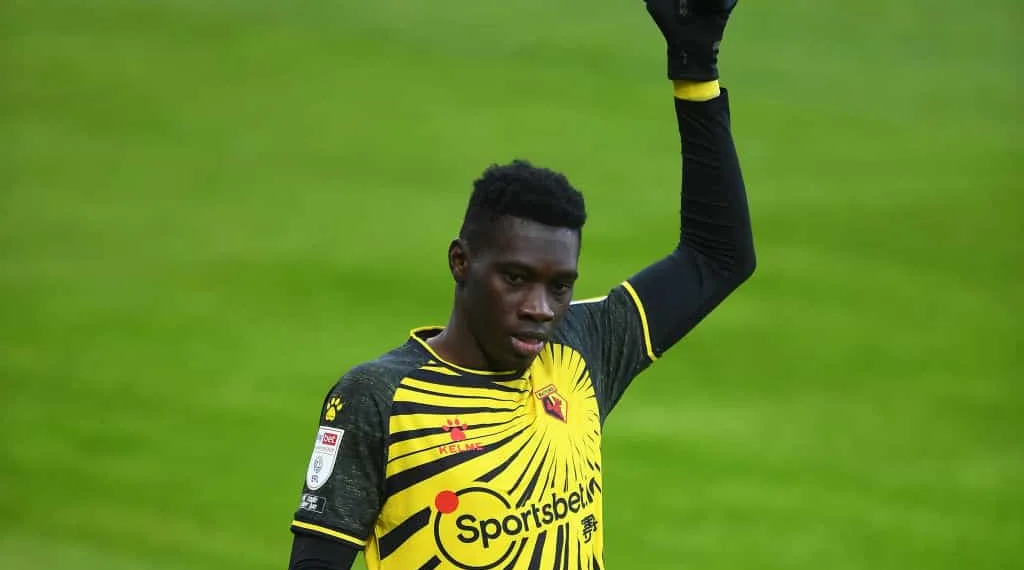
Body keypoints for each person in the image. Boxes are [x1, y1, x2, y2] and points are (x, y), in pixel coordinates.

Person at [287, 1, 754, 568]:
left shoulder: (582, 349)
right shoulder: (379, 399)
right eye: (515, 279)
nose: (540, 308)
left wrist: (695, 72)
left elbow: (718, 256)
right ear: (461, 263)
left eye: (560, 286)